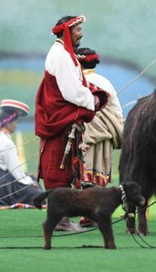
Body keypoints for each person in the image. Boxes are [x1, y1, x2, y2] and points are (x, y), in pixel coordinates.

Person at [35, 15, 107, 232]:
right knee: (58, 169)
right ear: (67, 31)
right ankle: (60, 220)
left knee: (64, 168)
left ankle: (62, 219)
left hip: (62, 120)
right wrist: (92, 99)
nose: (81, 33)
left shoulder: (63, 54)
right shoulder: (62, 56)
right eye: (78, 29)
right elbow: (71, 92)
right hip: (60, 120)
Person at [75, 47, 124, 188]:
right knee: (98, 183)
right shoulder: (106, 82)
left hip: (85, 136)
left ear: (78, 63)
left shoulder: (78, 83)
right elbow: (117, 113)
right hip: (107, 135)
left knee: (84, 181)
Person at [0, 100, 41, 207]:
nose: (17, 125)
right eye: (15, 122)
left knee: (32, 180)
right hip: (1, 183)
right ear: (8, 123)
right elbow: (16, 172)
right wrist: (29, 181)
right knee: (36, 193)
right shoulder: (7, 143)